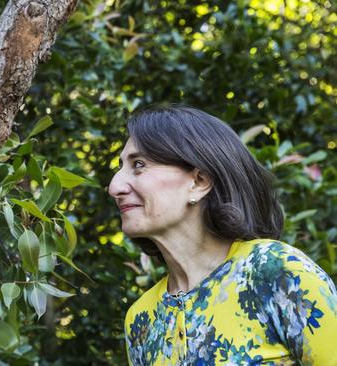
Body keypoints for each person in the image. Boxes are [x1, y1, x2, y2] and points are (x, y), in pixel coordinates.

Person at [107, 105, 337, 365]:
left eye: (139, 165)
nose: (114, 186)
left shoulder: (277, 273)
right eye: (120, 167)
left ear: (199, 181)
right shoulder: (140, 318)